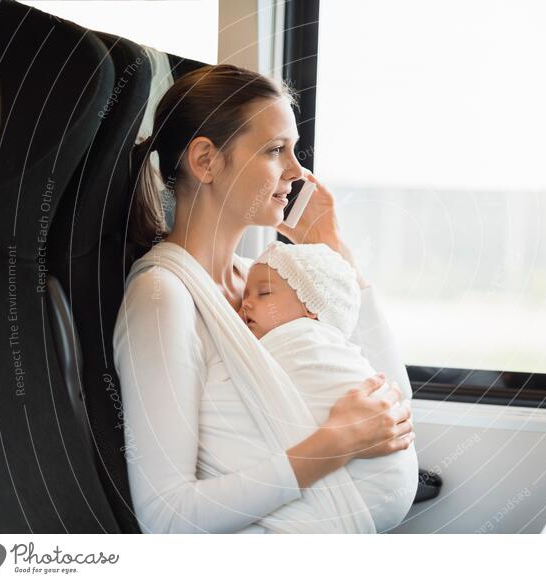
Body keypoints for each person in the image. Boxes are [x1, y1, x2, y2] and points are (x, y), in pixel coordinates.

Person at [112, 64, 415, 534]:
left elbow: (390, 403)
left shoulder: (261, 278)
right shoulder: (163, 298)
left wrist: (332, 245)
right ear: (206, 161)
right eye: (277, 150)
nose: (299, 172)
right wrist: (336, 443)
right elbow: (168, 517)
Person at [241, 240, 419, 532]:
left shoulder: (303, 341)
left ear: (312, 308)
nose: (246, 303)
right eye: (245, 296)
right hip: (386, 490)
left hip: (366, 487)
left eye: (264, 293)